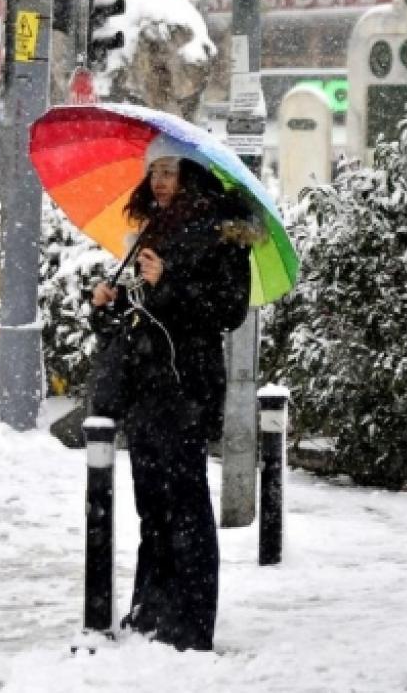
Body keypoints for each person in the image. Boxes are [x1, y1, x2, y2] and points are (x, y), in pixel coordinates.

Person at [90, 138, 256, 652]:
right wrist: (107, 305)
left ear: (191, 176)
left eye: (169, 171)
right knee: (152, 508)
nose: (159, 181)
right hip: (145, 388)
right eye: (154, 172)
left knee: (186, 508)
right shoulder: (149, 231)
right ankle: (150, 613)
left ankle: (191, 624)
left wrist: (172, 280)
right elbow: (139, 318)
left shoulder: (221, 234)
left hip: (186, 388)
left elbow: (227, 309)